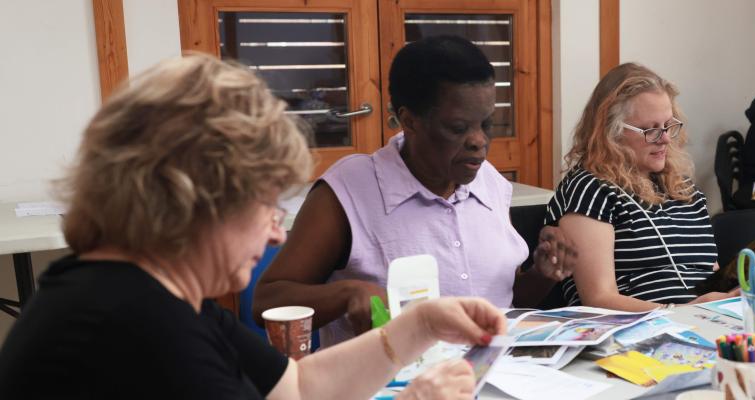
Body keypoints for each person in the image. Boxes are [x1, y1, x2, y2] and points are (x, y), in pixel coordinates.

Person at [0, 54, 504, 399]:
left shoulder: (146, 296)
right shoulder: (135, 328)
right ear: (195, 202)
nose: (276, 235)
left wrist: (417, 326)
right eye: (266, 206)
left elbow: (300, 388)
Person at [254, 35, 574, 346]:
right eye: (458, 128)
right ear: (409, 120)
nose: (479, 140)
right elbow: (266, 301)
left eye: (487, 124)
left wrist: (541, 275)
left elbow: (502, 299)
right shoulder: (350, 191)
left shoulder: (490, 183)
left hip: (496, 379)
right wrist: (347, 294)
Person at [546, 63, 737, 311]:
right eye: (650, 129)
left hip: (700, 322)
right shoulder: (590, 189)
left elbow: (709, 279)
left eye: (668, 125)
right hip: (634, 331)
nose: (666, 138)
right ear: (610, 131)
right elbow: (598, 299)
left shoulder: (684, 189)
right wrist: (687, 312)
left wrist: (733, 293)